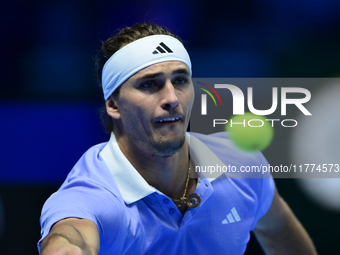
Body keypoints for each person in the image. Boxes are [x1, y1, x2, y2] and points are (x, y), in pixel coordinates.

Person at [38, 23, 317, 255]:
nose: (172, 98)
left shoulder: (242, 164)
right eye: (150, 84)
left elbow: (278, 229)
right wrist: (64, 246)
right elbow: (72, 233)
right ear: (114, 105)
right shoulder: (92, 196)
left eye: (180, 80)